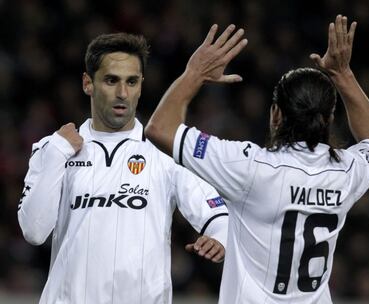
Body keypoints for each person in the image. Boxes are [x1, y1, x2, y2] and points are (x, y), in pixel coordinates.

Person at [145, 15, 369, 303]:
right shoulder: (346, 172)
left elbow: (159, 128)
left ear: (275, 115)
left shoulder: (250, 167)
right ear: (329, 119)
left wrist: (194, 73)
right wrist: (343, 76)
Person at [17, 33, 229, 304]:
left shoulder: (166, 150)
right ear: (87, 84)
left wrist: (218, 238)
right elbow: (34, 231)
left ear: (141, 85)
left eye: (131, 81)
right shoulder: (53, 148)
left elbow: (217, 216)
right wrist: (58, 152)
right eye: (111, 80)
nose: (122, 93)